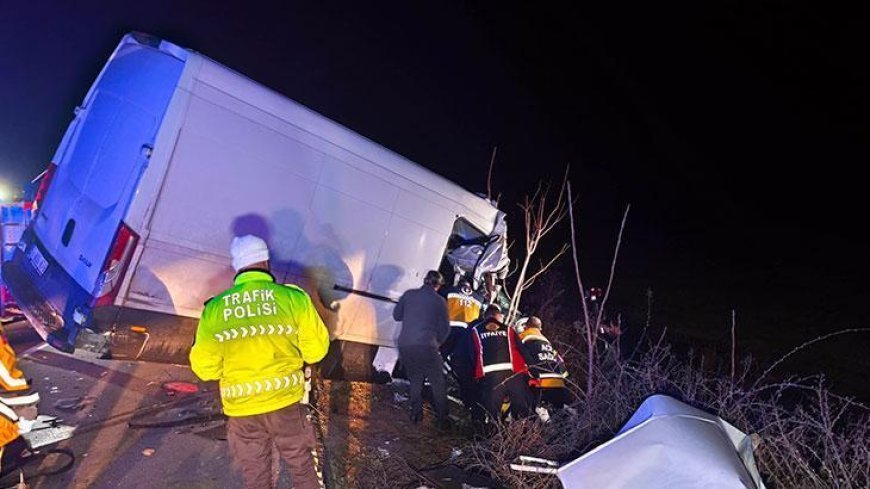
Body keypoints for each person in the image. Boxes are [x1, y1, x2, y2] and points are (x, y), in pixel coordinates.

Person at [190, 235, 330, 489]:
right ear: (265, 261)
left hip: (242, 410)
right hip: (285, 404)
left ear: (237, 265)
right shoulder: (293, 299)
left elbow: (204, 368)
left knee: (256, 476)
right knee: (302, 468)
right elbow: (316, 351)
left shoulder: (215, 309)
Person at [393, 270, 450, 427]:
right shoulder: (440, 301)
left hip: (406, 345)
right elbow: (445, 329)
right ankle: (442, 419)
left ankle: (416, 414)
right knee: (437, 382)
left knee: (415, 379)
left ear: (425, 281)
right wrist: (437, 342)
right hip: (427, 345)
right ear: (437, 285)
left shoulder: (409, 294)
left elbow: (396, 316)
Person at [471, 305, 534, 422]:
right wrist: (534, 369)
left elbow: (472, 354)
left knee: (492, 414)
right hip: (513, 375)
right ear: (497, 315)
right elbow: (522, 350)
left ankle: (493, 436)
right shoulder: (508, 329)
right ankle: (531, 433)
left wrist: (475, 376)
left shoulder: (475, 330)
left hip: (490, 378)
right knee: (524, 409)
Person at [514, 316, 570, 411]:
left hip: (540, 384)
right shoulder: (547, 343)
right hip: (558, 384)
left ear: (525, 327)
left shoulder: (523, 337)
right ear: (540, 329)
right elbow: (561, 362)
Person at [440, 276, 484, 360]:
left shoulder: (451, 290)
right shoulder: (479, 299)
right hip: (467, 333)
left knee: (444, 352)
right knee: (458, 355)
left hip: (451, 329)